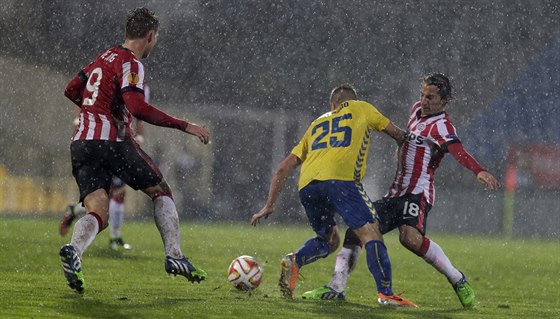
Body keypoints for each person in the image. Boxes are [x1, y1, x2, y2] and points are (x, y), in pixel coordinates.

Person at [302, 73, 500, 308]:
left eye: (431, 97)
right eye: (423, 95)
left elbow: (457, 150)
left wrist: (478, 170)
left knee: (410, 238)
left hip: (418, 192)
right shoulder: (416, 110)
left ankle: (458, 279)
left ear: (444, 100)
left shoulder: (442, 126)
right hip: (396, 191)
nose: (425, 101)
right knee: (355, 232)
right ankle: (336, 288)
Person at [59, 7, 210, 293]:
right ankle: (174, 256)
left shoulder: (103, 57)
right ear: (150, 36)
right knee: (160, 190)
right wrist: (185, 125)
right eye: (156, 39)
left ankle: (74, 251)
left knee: (97, 209)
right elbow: (138, 108)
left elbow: (71, 89)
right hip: (112, 142)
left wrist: (91, 111)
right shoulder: (131, 63)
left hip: (81, 143)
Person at [251, 85, 417, 307]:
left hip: (308, 186)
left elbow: (283, 167)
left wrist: (269, 205)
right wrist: (407, 143)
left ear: (333, 105)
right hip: (342, 181)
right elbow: (399, 134)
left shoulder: (317, 124)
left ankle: (295, 260)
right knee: (371, 233)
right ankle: (385, 293)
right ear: (353, 100)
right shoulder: (362, 108)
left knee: (330, 240)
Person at [60, 86, 152, 251]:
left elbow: (140, 115)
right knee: (106, 194)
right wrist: (78, 124)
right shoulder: (107, 76)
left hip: (121, 143)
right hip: (102, 142)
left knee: (112, 194)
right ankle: (109, 238)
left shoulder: (141, 85)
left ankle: (78, 214)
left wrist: (139, 136)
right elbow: (82, 100)